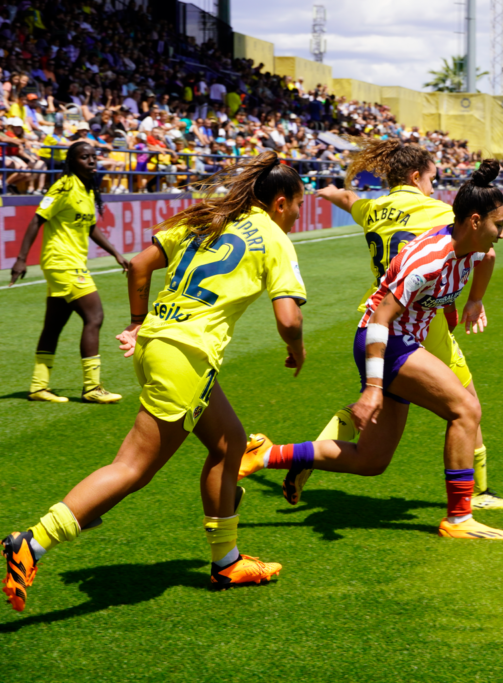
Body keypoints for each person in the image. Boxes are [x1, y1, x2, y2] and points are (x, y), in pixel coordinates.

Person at [2, 152, 308, 613]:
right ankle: (32, 542)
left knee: (230, 444)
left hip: (156, 345)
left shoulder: (206, 216)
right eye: (298, 205)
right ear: (281, 203)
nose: (298, 214)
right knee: (132, 468)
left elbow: (140, 266)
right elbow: (288, 318)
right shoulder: (273, 237)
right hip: (185, 356)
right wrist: (296, 348)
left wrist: (139, 323)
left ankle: (226, 561)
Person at [238, 161, 503, 540]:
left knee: (371, 461)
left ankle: (265, 454)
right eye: (499, 225)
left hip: (404, 342)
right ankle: (459, 517)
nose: (502, 234)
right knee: (466, 409)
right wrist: (373, 389)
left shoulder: (473, 247)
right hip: (384, 340)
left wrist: (475, 301)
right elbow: (381, 318)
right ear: (476, 221)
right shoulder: (430, 259)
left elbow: (489, 259)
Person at [8, 142, 128, 403]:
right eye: (84, 157)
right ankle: (92, 387)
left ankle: (38, 387)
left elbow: (91, 227)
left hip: (71, 263)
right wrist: (20, 259)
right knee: (94, 316)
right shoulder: (63, 186)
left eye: (93, 157)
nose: (91, 161)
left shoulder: (87, 189)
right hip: (62, 263)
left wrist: (115, 253)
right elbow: (37, 219)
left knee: (54, 325)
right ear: (72, 161)